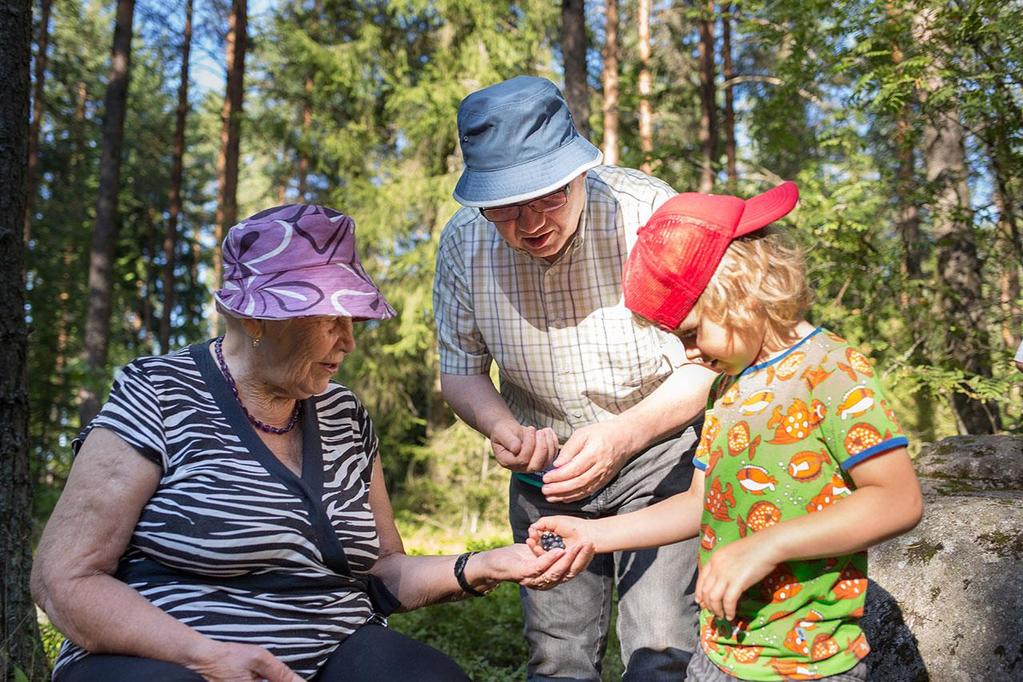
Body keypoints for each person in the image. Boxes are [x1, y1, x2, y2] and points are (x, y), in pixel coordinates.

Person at [32, 204, 588, 682]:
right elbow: (65, 579)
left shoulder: (343, 412)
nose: (348, 339)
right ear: (258, 318)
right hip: (173, 653)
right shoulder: (158, 391)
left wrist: (483, 565)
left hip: (327, 648)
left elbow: (383, 570)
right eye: (331, 318)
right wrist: (206, 657)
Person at [529, 183, 925, 681]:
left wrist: (768, 544)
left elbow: (897, 500)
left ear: (738, 287)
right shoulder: (727, 389)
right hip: (717, 654)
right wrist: (592, 534)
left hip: (808, 664)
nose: (687, 354)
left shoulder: (831, 372)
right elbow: (700, 502)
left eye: (691, 333)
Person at [433, 75, 716, 680]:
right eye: (507, 205)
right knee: (557, 656)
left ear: (580, 170)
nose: (531, 221)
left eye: (549, 197)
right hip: (546, 473)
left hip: (659, 455)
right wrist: (504, 426)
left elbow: (706, 361)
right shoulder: (462, 245)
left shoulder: (647, 213)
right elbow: (459, 372)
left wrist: (623, 435)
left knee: (662, 646)